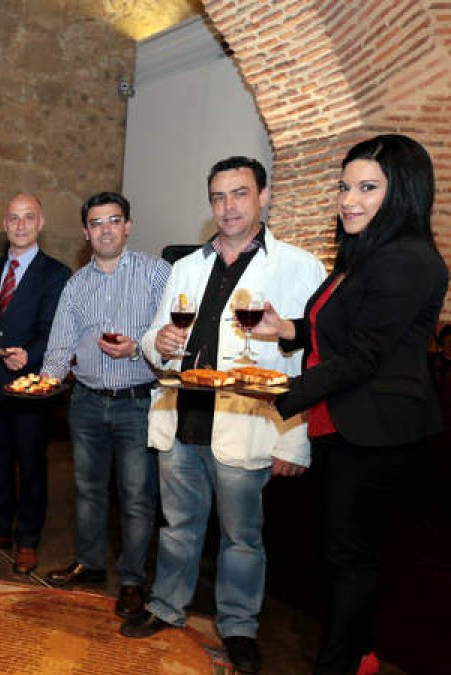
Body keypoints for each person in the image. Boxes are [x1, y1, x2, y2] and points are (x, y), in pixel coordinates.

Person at [121, 156, 326, 675]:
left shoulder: (298, 267)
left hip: (247, 424)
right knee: (179, 525)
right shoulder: (187, 266)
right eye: (218, 196)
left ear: (264, 197)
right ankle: (166, 607)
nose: (228, 206)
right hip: (184, 416)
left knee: (242, 538)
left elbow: (308, 361)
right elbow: (155, 338)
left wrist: (292, 443)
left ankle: (238, 627)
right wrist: (158, 341)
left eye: (239, 194)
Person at [253, 135, 448, 674]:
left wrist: (279, 395)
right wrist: (285, 328)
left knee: (352, 561)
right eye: (345, 186)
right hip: (342, 425)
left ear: (402, 193)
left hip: (379, 433)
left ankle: (341, 665)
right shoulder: (362, 255)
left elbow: (363, 356)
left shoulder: (409, 261)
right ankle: (355, 653)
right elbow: (335, 331)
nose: (349, 200)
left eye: (367, 188)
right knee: (339, 557)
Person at [40, 192, 169, 619]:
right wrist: (42, 383)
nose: (106, 230)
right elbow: (60, 346)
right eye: (97, 223)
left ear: (128, 225)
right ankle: (90, 563)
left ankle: (132, 580)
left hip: (137, 403)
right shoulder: (77, 284)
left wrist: (139, 350)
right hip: (88, 403)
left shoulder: (156, 274)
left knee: (136, 497)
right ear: (86, 232)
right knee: (89, 492)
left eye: (114, 221)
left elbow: (173, 337)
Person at [0, 193, 71, 575]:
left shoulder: (56, 273)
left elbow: (55, 330)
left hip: (30, 385)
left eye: (28, 218)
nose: (20, 225)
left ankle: (27, 540)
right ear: (4, 224)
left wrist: (30, 354)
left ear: (40, 223)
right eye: (13, 218)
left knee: (31, 463)